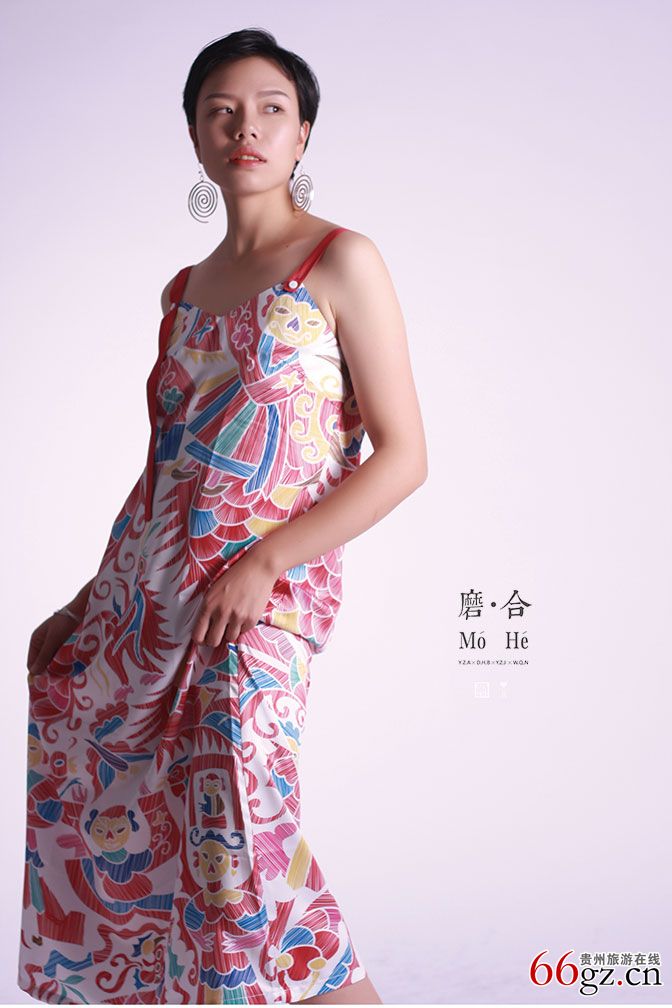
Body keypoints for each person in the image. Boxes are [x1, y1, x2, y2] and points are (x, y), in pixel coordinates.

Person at [19, 27, 427, 1006]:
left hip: (264, 596)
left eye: (270, 110)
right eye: (222, 111)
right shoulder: (182, 294)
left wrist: (265, 562)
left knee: (247, 832)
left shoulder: (340, 261)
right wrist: (86, 601)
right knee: (166, 837)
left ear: (303, 133)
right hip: (150, 600)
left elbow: (404, 456)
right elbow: (165, 474)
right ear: (197, 136)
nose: (246, 128)